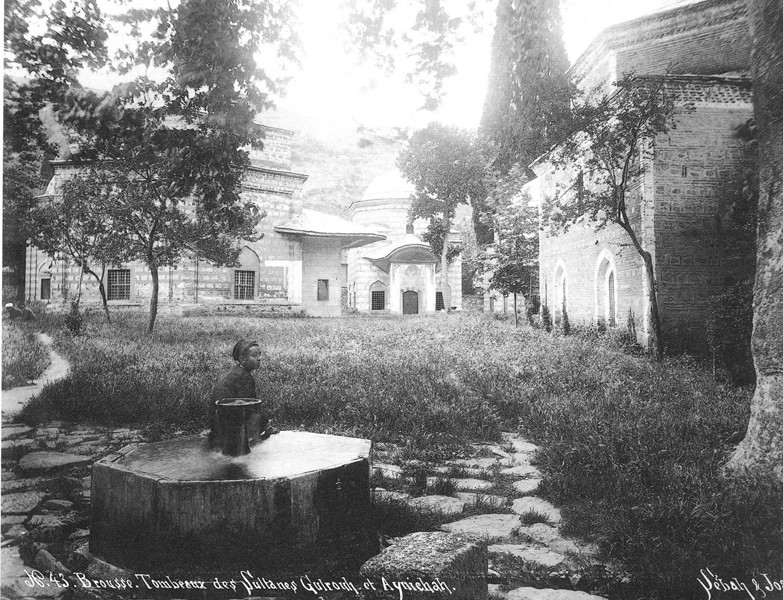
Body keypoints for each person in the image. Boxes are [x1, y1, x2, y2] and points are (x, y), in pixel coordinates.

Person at [208, 339, 279, 441]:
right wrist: (265, 424)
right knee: (261, 416)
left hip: (217, 425)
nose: (260, 358)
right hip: (227, 428)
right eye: (254, 355)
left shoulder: (237, 372)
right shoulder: (244, 377)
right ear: (242, 359)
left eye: (259, 354)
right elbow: (251, 406)